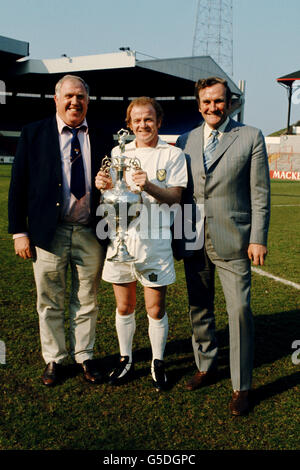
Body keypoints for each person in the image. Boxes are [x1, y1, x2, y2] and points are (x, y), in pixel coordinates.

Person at [8, 74, 113, 386]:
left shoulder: (103, 135)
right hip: (48, 233)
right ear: (56, 99)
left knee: (87, 298)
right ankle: (54, 359)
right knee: (49, 299)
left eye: (80, 97)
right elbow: (18, 185)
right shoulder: (34, 134)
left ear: (87, 101)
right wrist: (19, 231)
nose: (74, 102)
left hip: (90, 231)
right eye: (68, 96)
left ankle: (85, 356)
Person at [176, 77, 270, 415]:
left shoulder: (250, 136)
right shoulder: (185, 139)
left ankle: (241, 386)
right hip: (193, 236)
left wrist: (258, 237)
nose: (212, 107)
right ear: (198, 105)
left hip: (235, 238)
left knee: (239, 312)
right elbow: (179, 191)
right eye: (206, 102)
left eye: (218, 101)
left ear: (229, 103)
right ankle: (205, 365)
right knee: (199, 307)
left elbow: (260, 193)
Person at [95, 97, 187, 391]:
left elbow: (175, 198)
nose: (143, 125)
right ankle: (126, 358)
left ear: (159, 121)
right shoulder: (117, 152)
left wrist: (148, 185)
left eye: (148, 119)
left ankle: (157, 361)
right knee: (124, 306)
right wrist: (104, 185)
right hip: (121, 237)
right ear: (129, 124)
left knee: (155, 308)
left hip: (155, 239)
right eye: (137, 121)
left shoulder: (173, 155)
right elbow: (112, 198)